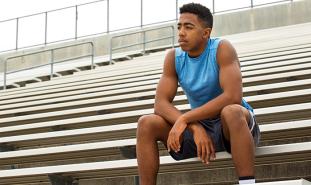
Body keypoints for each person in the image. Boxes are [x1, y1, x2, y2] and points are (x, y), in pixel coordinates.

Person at [136, 2, 260, 185]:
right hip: (200, 126)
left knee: (231, 111)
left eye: (188, 27)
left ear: (206, 33)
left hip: (232, 126)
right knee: (146, 123)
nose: (181, 32)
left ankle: (247, 184)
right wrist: (194, 126)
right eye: (179, 27)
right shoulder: (173, 57)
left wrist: (185, 119)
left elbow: (233, 96)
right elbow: (160, 104)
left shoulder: (222, 49)